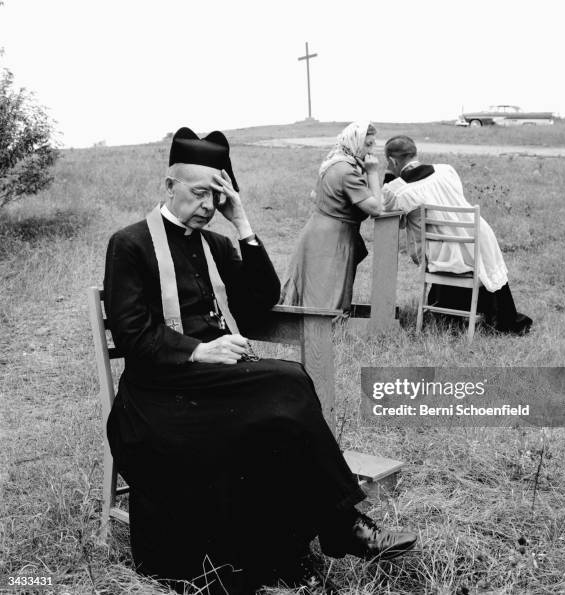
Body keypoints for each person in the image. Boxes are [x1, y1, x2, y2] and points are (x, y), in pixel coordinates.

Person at [104, 127, 418, 595]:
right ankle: (342, 525)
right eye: (198, 193)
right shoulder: (130, 244)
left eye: (218, 196)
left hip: (220, 387)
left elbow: (258, 304)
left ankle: (325, 533)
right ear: (169, 186)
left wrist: (243, 223)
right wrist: (197, 349)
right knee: (288, 381)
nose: (208, 205)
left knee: (285, 399)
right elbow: (132, 333)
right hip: (159, 397)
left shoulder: (214, 243)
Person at [382, 135, 532, 334]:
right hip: (479, 237)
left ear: (392, 161)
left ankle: (451, 312)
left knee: (444, 245)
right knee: (463, 249)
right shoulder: (446, 170)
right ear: (415, 153)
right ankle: (485, 312)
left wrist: (389, 176)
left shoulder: (398, 191)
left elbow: (384, 208)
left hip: (447, 253)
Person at [280, 121, 382, 312]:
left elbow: (314, 195)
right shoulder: (347, 171)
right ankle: (322, 333)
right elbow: (376, 208)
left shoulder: (335, 161)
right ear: (355, 143)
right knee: (326, 293)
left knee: (320, 288)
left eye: (373, 144)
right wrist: (373, 172)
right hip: (331, 237)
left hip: (321, 230)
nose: (372, 149)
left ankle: (318, 332)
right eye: (367, 144)